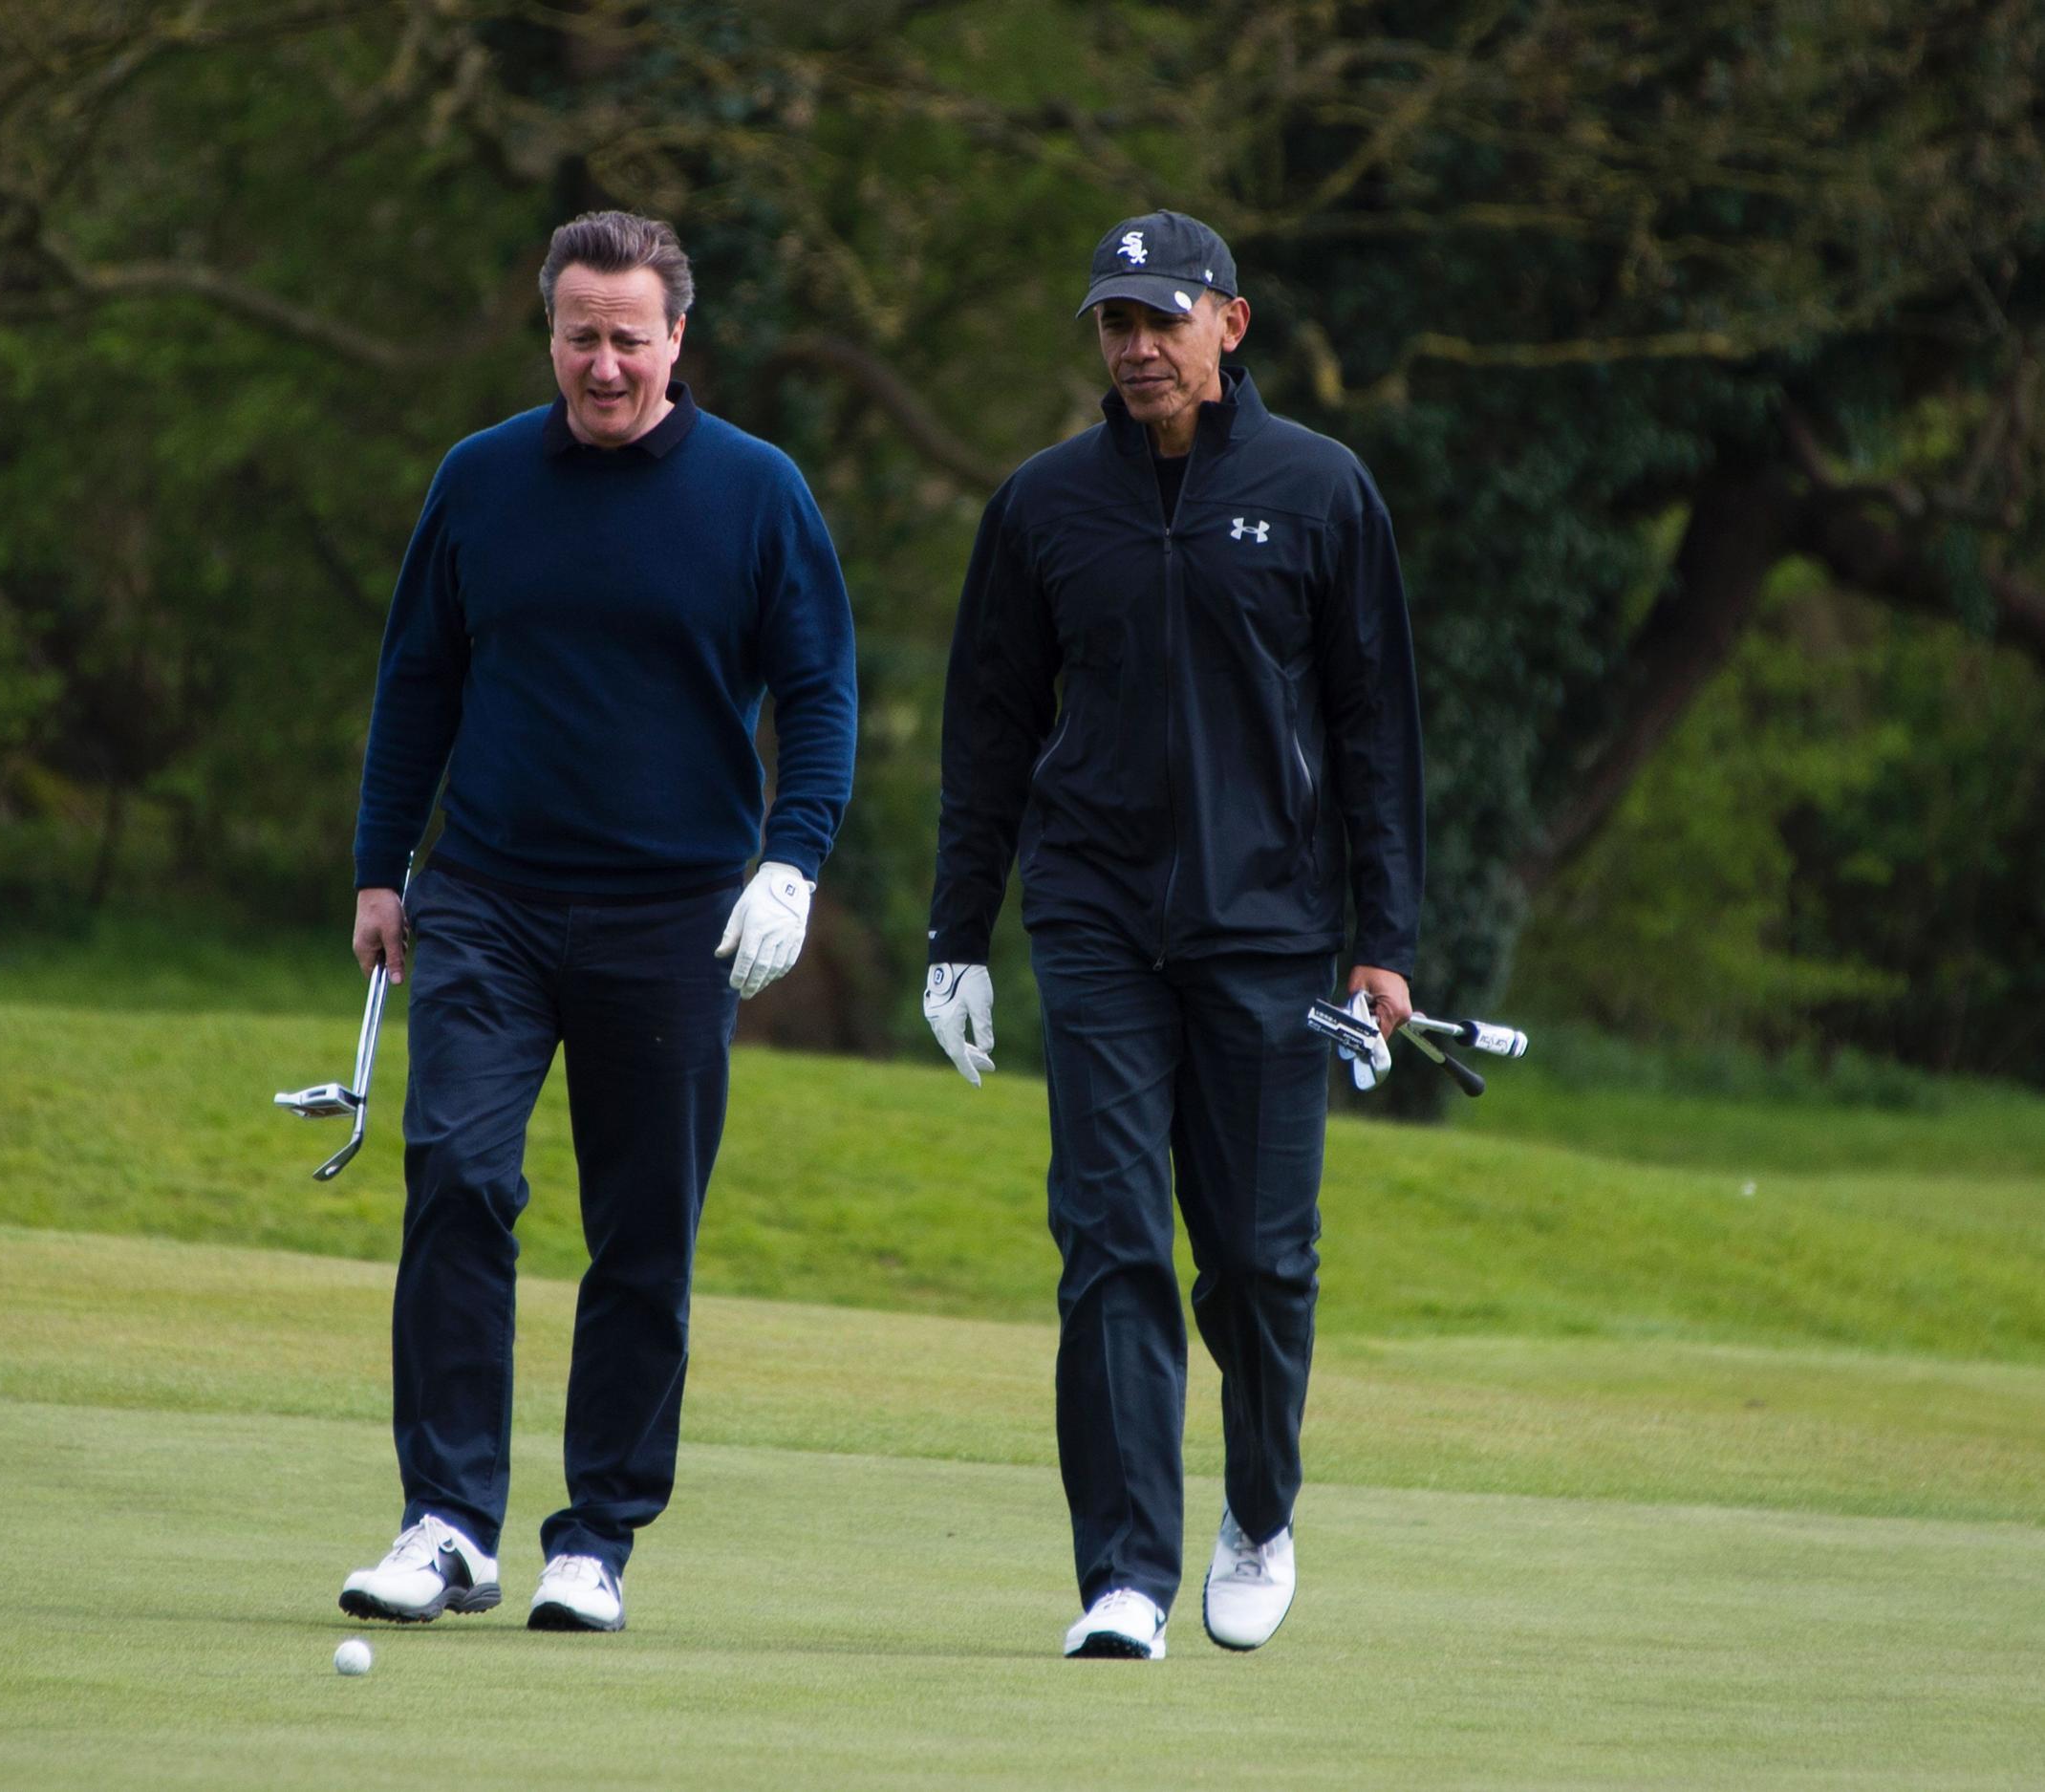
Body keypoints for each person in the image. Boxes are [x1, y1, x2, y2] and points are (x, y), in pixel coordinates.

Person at [336, 210, 857, 1635]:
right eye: (583, 334)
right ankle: (446, 1521)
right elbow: (418, 679)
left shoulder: (758, 493)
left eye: (633, 335)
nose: (607, 363)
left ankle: (598, 1537)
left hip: (677, 917)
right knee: (457, 1176)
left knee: (643, 1233)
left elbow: (820, 692)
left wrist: (792, 863)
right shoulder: (482, 479)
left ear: (679, 337)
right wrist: (384, 869)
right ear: (549, 333)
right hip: (488, 896)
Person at [922, 209, 1422, 1660]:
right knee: (1109, 1238)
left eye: (1162, 318)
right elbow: (991, 727)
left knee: (1260, 1261)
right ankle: (1125, 1573)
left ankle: (1257, 1509)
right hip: (1093, 920)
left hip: (1271, 929)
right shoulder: (1041, 505)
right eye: (1114, 323)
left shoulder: (1322, 492)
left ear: (1230, 325)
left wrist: (1382, 941)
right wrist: (960, 927)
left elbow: (1376, 729)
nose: (1135, 345)